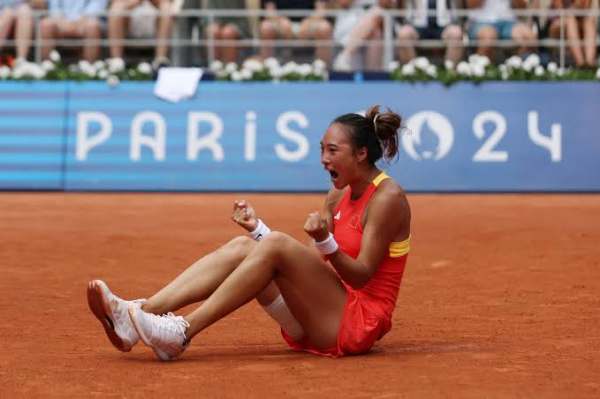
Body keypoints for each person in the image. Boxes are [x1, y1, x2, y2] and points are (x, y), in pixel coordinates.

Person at [87, 105, 411, 360]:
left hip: (355, 324)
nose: (324, 160)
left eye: (332, 151)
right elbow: (311, 268)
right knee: (245, 245)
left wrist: (324, 240)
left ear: (361, 153)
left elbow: (361, 277)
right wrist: (259, 231)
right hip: (320, 314)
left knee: (276, 244)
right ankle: (138, 316)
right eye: (321, 150)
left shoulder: (388, 198)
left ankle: (181, 333)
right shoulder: (337, 194)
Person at [107, 0, 179, 69]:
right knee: (117, 8)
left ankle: (160, 61)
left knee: (166, 7)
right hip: (129, 21)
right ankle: (116, 62)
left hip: (154, 21)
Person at [259, 0, 333, 64]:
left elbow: (321, 10)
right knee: (266, 27)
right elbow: (269, 11)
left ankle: (323, 72)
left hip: (310, 22)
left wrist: (309, 22)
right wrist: (280, 22)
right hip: (280, 23)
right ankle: (267, 72)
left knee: (324, 28)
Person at [395, 0, 464, 64]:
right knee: (403, 34)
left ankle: (450, 74)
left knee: (456, 33)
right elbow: (400, 7)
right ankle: (411, 73)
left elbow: (461, 6)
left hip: (444, 24)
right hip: (417, 24)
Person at [466, 0, 537, 60]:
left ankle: (515, 71)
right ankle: (481, 73)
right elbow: (471, 5)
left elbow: (522, 8)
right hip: (481, 21)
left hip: (509, 21)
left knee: (529, 38)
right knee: (488, 37)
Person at [40, 0, 107, 61]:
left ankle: (90, 69)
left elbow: (96, 6)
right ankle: (46, 68)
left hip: (87, 21)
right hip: (60, 21)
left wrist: (79, 23)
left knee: (92, 26)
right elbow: (54, 7)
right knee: (46, 25)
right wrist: (63, 23)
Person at [546, 0, 597, 67]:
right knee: (571, 20)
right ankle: (580, 64)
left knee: (589, 22)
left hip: (577, 23)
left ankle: (590, 64)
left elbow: (584, 11)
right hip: (558, 23)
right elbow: (560, 11)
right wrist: (575, 8)